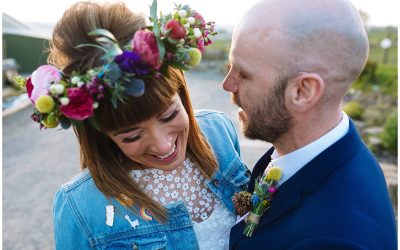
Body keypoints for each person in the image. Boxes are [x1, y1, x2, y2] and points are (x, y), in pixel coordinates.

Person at [20, 1, 249, 249]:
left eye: (169, 115)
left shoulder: (219, 131)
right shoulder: (80, 208)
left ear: (180, 92)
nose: (163, 146)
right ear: (102, 133)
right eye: (131, 136)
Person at [224, 0, 397, 249]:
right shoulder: (301, 148)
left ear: (303, 91)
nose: (227, 84)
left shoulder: (335, 239)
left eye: (243, 74)